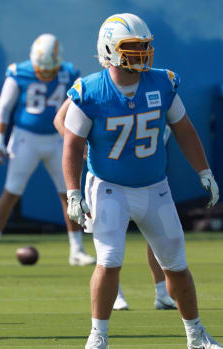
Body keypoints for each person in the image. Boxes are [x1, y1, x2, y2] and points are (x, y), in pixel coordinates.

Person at [62, 13, 221, 348]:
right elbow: (72, 144)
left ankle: (195, 335)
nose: (141, 54)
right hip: (108, 188)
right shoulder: (90, 91)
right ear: (109, 50)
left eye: (144, 46)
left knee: (176, 265)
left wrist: (203, 170)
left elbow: (184, 128)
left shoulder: (162, 82)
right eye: (132, 47)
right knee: (109, 262)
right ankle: (99, 336)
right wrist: (74, 192)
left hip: (155, 187)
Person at [0, 34, 95, 267]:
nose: (45, 74)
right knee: (11, 192)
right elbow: (3, 108)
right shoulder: (19, 72)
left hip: (57, 138)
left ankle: (77, 249)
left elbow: (82, 106)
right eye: (41, 69)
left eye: (50, 70)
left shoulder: (69, 72)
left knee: (69, 193)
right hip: (26, 138)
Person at [54, 100, 177, 311]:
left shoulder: (156, 83)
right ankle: (116, 293)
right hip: (108, 179)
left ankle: (162, 292)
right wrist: (77, 143)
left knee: (157, 236)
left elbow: (181, 125)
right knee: (109, 239)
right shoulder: (92, 88)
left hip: (147, 174)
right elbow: (60, 119)